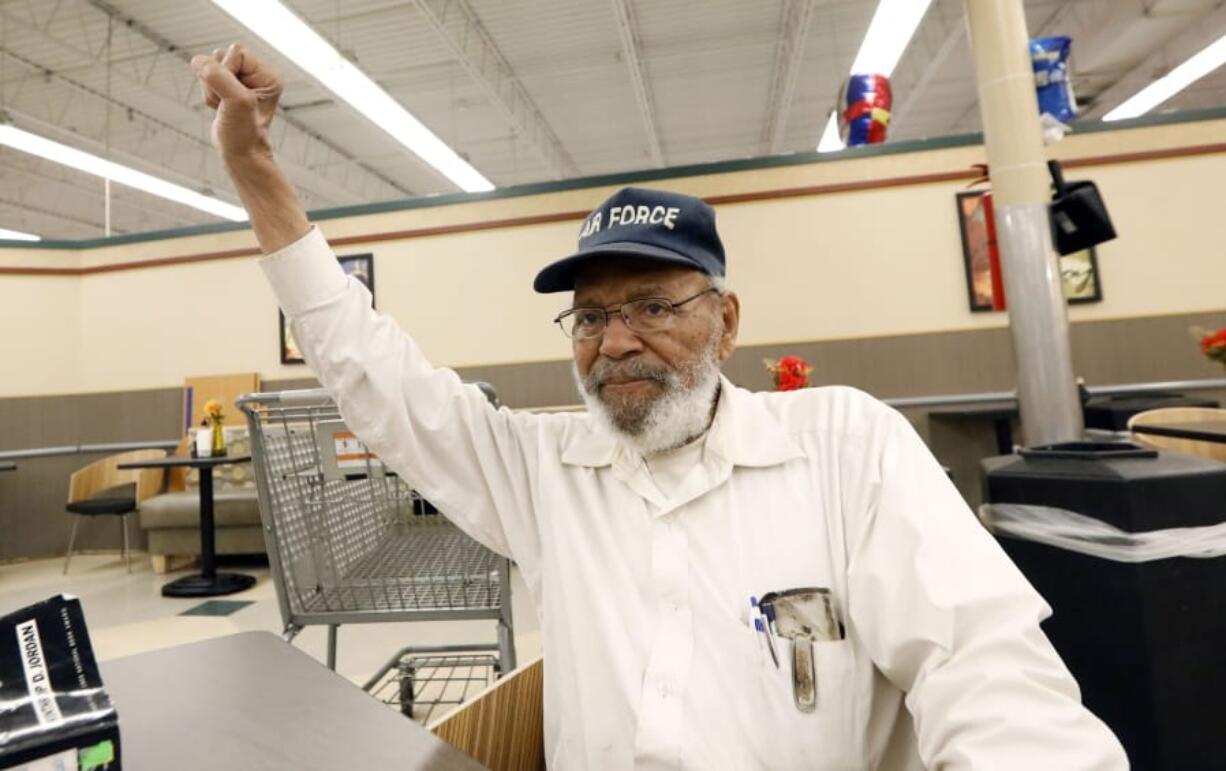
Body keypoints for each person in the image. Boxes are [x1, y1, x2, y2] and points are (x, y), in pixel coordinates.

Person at [191, 44, 1128, 771]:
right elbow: (370, 372)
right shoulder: (544, 471)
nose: (617, 339)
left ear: (725, 322)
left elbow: (986, 666)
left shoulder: (846, 446)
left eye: (652, 305)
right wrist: (257, 171)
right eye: (591, 314)